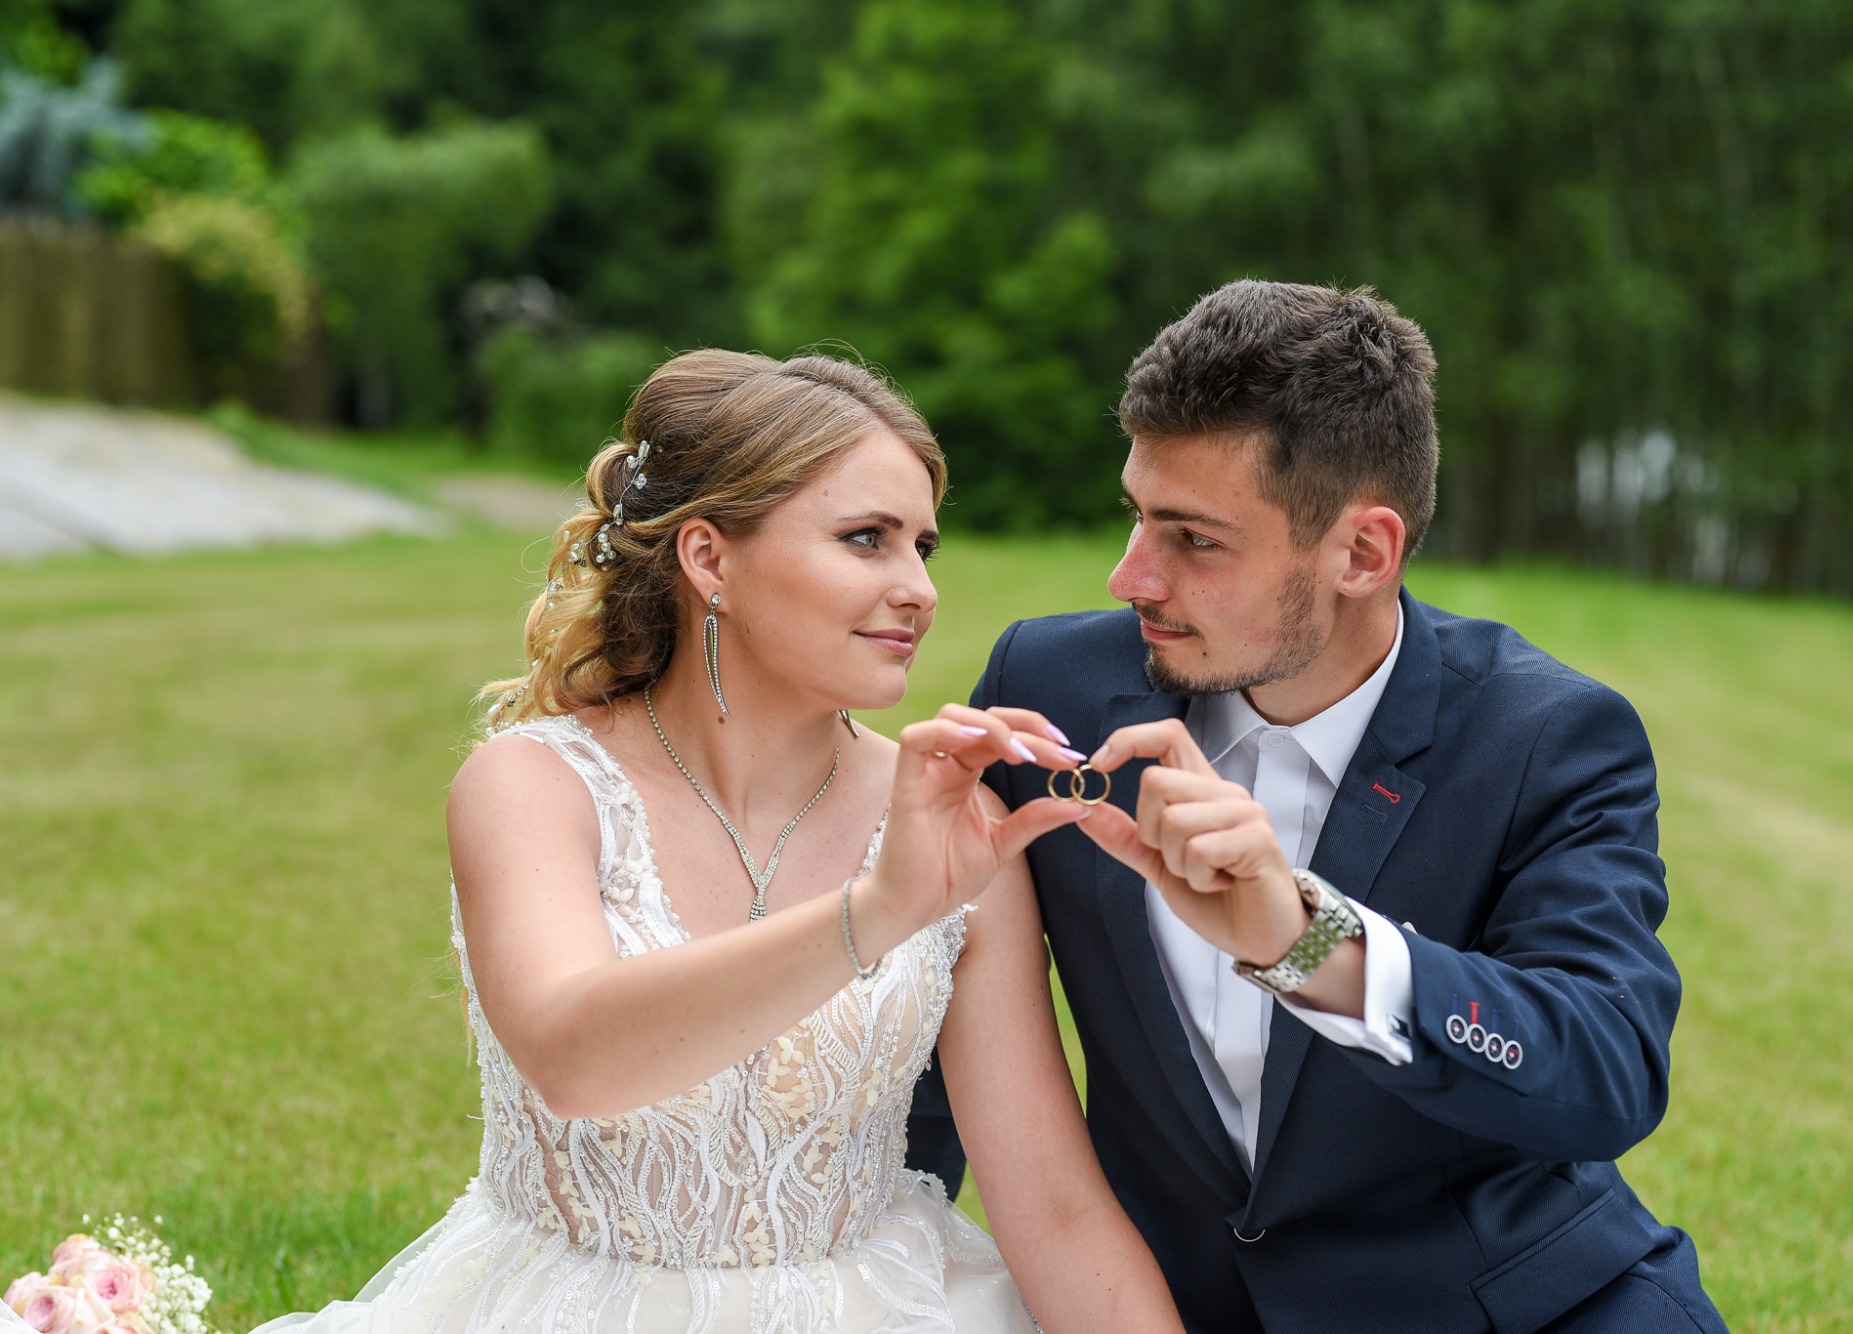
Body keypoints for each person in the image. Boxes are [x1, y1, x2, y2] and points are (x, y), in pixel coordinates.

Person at [249, 349, 1183, 1334]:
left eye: (922, 546)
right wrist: (881, 907)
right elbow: (574, 1056)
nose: (916, 587)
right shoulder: (532, 785)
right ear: (708, 559)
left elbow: (1054, 1207)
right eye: (865, 538)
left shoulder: (951, 823)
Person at [908, 280, 1729, 1333]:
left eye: (1193, 539)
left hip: (1507, 1306)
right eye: (1135, 517)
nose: (1130, 577)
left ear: (1361, 553)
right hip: (1173, 1304)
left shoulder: (1544, 738)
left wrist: (1306, 942)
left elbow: (1604, 1068)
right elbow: (938, 1008)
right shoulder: (1052, 687)